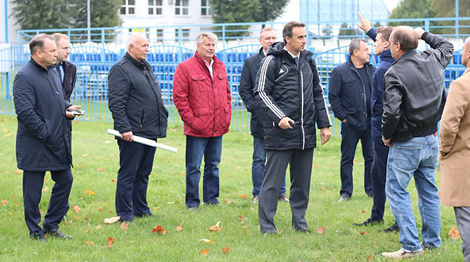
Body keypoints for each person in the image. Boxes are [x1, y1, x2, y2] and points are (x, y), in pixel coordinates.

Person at [381, 26, 453, 259]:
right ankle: (432, 242)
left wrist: (386, 135)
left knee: (396, 190)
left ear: (397, 46)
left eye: (390, 42)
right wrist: (423, 35)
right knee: (429, 191)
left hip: (407, 142)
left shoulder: (394, 72)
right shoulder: (432, 60)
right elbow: (446, 46)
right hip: (431, 139)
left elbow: (391, 112)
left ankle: (411, 246)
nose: (388, 46)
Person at [255, 21, 332, 234]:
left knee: (301, 184)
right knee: (272, 184)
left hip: (305, 133)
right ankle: (267, 227)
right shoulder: (271, 61)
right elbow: (261, 92)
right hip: (280, 133)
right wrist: (279, 117)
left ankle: (300, 224)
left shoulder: (308, 61)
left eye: (305, 36)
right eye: (300, 37)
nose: (304, 41)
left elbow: (317, 92)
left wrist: (324, 124)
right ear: (287, 38)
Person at [13, 34, 79, 240]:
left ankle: (51, 224)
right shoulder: (24, 76)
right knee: (33, 193)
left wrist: (67, 108)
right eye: (51, 51)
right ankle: (35, 232)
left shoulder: (51, 71)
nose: (56, 54)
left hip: (57, 142)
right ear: (38, 53)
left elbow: (58, 100)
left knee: (65, 180)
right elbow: (25, 112)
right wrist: (45, 132)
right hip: (36, 144)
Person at [108, 33, 168, 222]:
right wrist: (124, 128)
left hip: (150, 130)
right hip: (132, 132)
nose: (146, 49)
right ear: (131, 47)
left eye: (148, 45)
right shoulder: (120, 69)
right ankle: (125, 212)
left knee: (143, 173)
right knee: (129, 173)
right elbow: (116, 102)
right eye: (143, 46)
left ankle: (141, 208)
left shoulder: (145, 67)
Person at [173, 32, 231, 210]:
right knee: (194, 167)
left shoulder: (220, 66)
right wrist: (192, 121)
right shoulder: (185, 67)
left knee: (213, 165)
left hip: (218, 125)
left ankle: (211, 199)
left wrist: (226, 114)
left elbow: (227, 93)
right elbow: (179, 97)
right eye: (207, 45)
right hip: (197, 127)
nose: (211, 48)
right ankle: (192, 202)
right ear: (197, 47)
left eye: (213, 44)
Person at [354, 13, 398, 232]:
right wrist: (371, 30)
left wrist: (384, 133)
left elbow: (384, 107)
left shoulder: (383, 70)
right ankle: (376, 215)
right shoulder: (397, 59)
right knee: (376, 174)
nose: (373, 45)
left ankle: (399, 221)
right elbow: (387, 41)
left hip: (383, 134)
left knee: (388, 176)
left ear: (388, 44)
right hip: (378, 132)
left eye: (376, 41)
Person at [239, 27, 289, 204]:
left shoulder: (284, 60)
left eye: (274, 37)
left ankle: (280, 192)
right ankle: (258, 193)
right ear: (260, 41)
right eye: (267, 38)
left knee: (280, 157)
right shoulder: (251, 62)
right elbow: (244, 88)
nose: (271, 40)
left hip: (281, 118)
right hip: (261, 120)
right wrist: (256, 108)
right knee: (260, 158)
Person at [328, 38, 375, 202]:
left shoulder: (372, 70)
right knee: (347, 158)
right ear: (355, 52)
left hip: (370, 123)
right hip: (351, 124)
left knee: (371, 157)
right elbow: (334, 97)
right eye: (366, 49)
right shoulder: (340, 71)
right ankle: (346, 192)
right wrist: (343, 117)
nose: (369, 52)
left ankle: (371, 189)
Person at [439, 37, 470, 262]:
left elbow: (448, 126)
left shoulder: (462, 84)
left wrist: (445, 151)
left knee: (467, 220)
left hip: (464, 164)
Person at [52, 33, 77, 220]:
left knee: (64, 171)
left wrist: (68, 108)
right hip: (47, 126)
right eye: (64, 48)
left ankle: (62, 210)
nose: (68, 51)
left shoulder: (71, 68)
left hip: (64, 127)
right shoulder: (44, 69)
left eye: (69, 47)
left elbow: (65, 96)